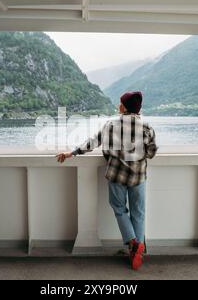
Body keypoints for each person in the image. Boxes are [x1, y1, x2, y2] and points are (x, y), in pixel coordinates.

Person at [56, 91, 157, 270]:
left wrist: (72, 153)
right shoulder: (147, 127)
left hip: (117, 175)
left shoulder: (111, 125)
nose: (119, 105)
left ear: (125, 107)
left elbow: (92, 142)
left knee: (119, 208)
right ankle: (137, 251)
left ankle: (132, 243)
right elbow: (151, 152)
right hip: (139, 176)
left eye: (121, 103)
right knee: (139, 213)